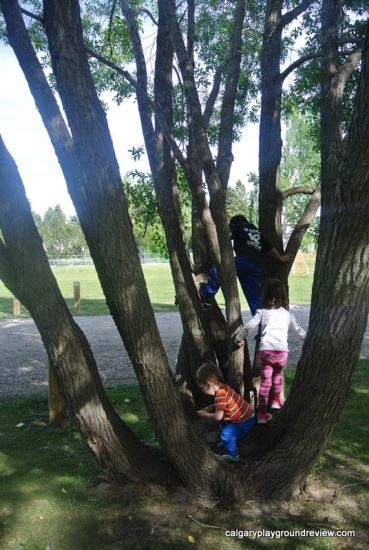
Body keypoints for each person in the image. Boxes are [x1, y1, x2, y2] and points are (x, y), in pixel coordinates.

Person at [234, 279, 305, 423]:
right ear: (283, 297)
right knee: (277, 377)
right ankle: (275, 403)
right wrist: (307, 338)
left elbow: (249, 327)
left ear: (265, 296)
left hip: (266, 353)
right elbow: (298, 330)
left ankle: (261, 415)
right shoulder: (288, 315)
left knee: (265, 383)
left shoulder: (262, 313)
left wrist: (238, 338)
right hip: (281, 354)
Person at [199, 214, 292, 315]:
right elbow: (269, 247)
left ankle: (207, 294)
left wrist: (216, 229)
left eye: (231, 229)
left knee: (220, 266)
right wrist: (280, 258)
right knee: (256, 301)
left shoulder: (239, 227)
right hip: (257, 267)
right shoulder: (257, 231)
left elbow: (225, 236)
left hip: (242, 262)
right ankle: (263, 328)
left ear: (234, 225)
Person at [196, 362, 254, 462]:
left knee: (225, 433)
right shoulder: (224, 388)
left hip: (244, 422)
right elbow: (224, 404)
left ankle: (234, 455)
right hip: (247, 415)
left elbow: (218, 416)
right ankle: (226, 442)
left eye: (202, 387)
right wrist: (211, 407)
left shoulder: (219, 396)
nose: (202, 390)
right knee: (223, 422)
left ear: (209, 385)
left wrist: (205, 415)